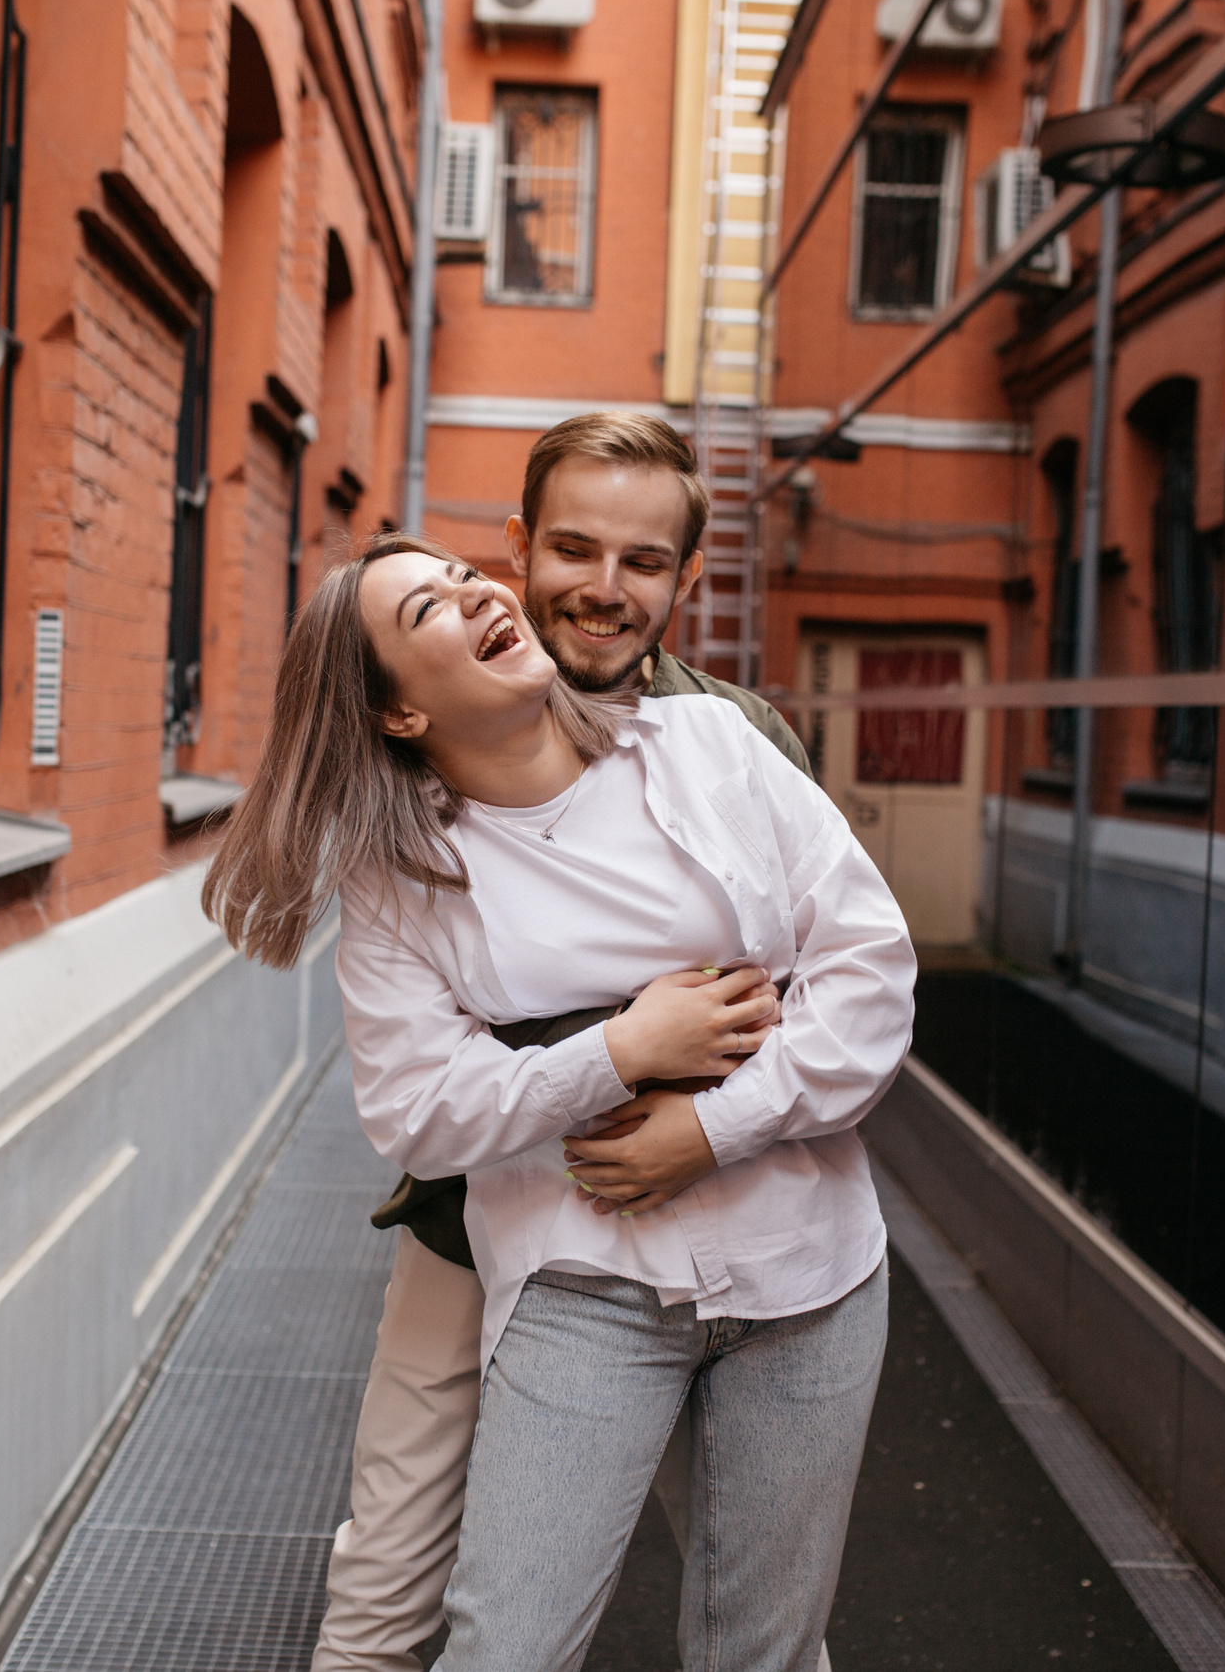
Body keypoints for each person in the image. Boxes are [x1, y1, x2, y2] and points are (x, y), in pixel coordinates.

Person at [205, 512, 914, 1666]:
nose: (479, 594)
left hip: (809, 1273)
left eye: (462, 574)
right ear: (398, 711)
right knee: (507, 1647)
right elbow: (415, 1111)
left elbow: (869, 977)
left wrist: (708, 1128)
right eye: (429, 608)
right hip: (585, 1281)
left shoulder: (708, 750)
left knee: (766, 1653)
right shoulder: (405, 876)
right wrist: (626, 1050)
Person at [314, 415, 821, 1671]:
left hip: (682, 1212)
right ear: (517, 547)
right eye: (573, 550)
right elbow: (416, 1062)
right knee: (391, 1562)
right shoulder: (441, 714)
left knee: (759, 1588)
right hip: (469, 1212)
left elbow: (822, 986)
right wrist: (626, 1046)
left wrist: (698, 1130)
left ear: (684, 579)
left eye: (643, 564)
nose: (603, 591)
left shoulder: (734, 737)